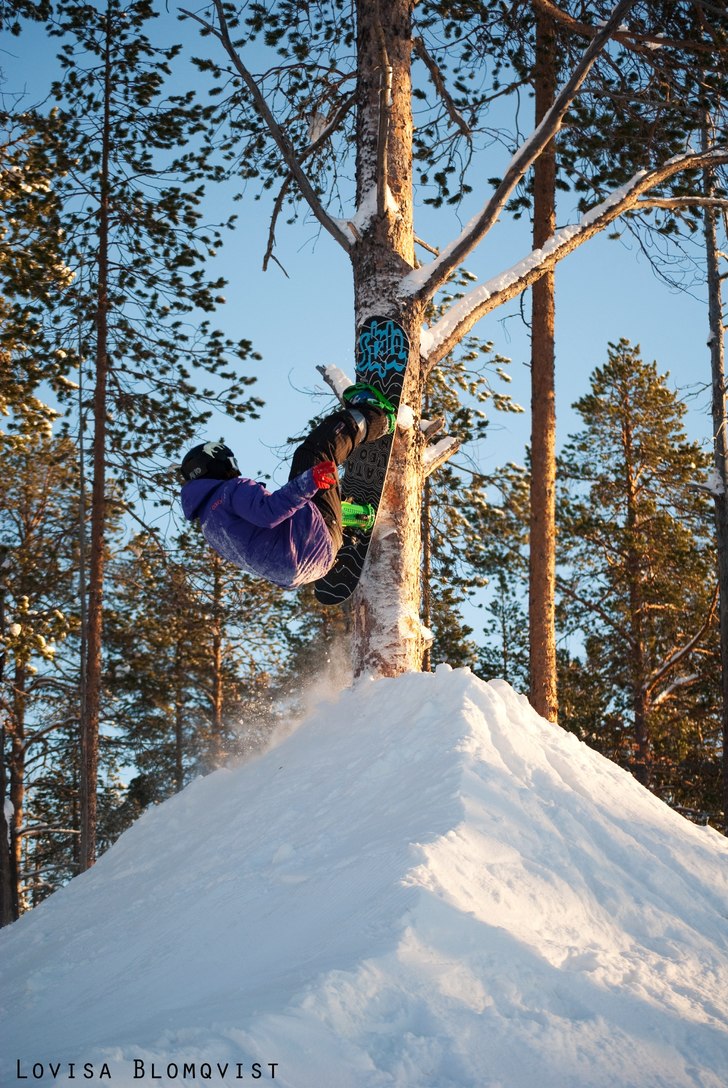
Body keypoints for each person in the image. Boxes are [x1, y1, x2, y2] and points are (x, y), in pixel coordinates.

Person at [179, 385, 395, 590]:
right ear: (212, 463)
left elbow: (255, 554)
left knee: (298, 501)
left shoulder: (209, 527)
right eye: (229, 462)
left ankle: (353, 516)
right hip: (310, 542)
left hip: (309, 567)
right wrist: (308, 482)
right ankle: (375, 415)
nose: (234, 469)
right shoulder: (229, 491)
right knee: (313, 454)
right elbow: (269, 513)